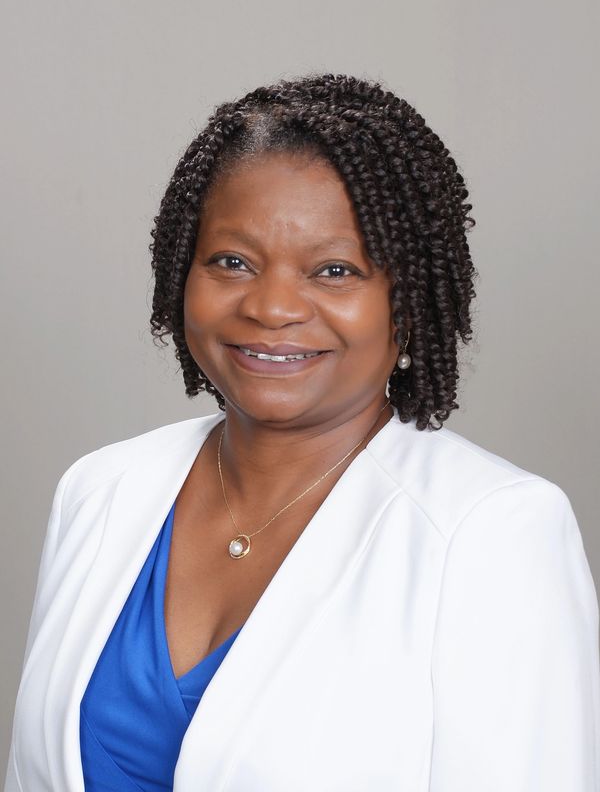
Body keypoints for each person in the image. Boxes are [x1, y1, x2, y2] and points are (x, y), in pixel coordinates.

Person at [5, 73, 599, 792]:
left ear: (408, 300)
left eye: (334, 270)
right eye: (232, 262)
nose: (272, 306)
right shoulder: (99, 491)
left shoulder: (493, 532)